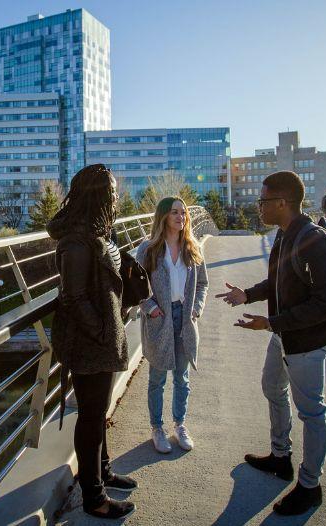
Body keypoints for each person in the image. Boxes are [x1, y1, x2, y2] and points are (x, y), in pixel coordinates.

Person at [218, 171, 326, 516]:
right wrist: (248, 295)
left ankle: (310, 486)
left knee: (312, 412)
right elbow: (278, 281)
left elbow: (325, 303)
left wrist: (271, 322)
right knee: (272, 387)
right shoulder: (284, 236)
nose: (259, 207)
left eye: (263, 201)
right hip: (283, 334)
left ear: (282, 203)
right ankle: (280, 456)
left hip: (307, 342)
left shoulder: (315, 239)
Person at [48, 164, 137, 520]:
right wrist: (102, 332)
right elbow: (74, 297)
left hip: (103, 337)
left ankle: (103, 471)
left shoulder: (99, 231)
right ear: (96, 194)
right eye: (112, 191)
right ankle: (94, 498)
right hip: (89, 342)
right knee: (89, 417)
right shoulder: (76, 241)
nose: (117, 196)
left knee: (98, 413)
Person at [135, 197, 208, 453]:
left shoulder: (193, 247)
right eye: (175, 212)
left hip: (185, 318)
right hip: (160, 318)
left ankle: (180, 424)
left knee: (182, 377)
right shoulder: (148, 249)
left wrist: (196, 309)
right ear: (164, 216)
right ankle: (157, 428)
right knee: (157, 378)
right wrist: (151, 309)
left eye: (184, 213)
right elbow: (137, 287)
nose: (181, 217)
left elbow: (202, 284)